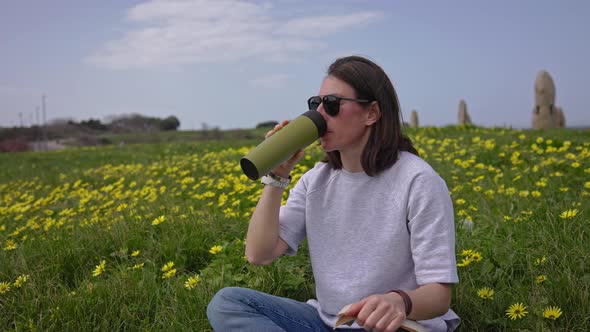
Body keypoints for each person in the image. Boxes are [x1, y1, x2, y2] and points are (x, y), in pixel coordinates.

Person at [207, 55, 460, 332]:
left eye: (332, 104)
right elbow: (259, 254)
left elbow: (439, 295)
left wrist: (398, 302)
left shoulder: (417, 180)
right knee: (228, 303)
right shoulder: (315, 180)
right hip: (329, 321)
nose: (319, 115)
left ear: (371, 113)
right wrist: (276, 177)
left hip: (395, 326)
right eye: (315, 104)